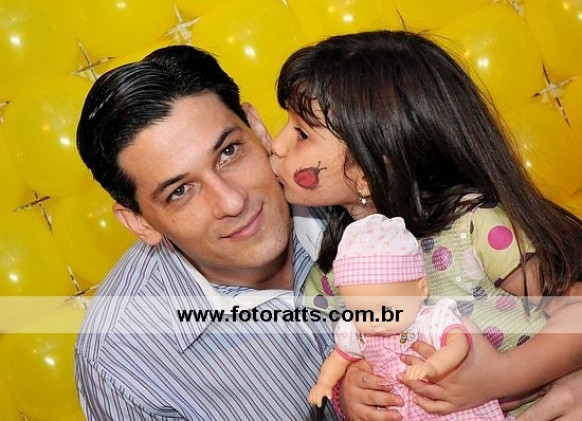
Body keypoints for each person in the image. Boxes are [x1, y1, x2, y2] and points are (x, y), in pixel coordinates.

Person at [270, 30, 582, 420]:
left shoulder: (473, 226)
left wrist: (503, 375)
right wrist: (349, 393)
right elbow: (350, 352)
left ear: (369, 169)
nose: (277, 145)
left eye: (302, 133)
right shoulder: (331, 277)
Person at [74, 45, 340, 420]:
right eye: (180, 191)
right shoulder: (120, 361)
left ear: (257, 128)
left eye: (228, 152)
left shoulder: (353, 178)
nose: (231, 202)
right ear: (140, 223)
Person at [308, 214, 511, 420]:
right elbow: (339, 357)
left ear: (421, 289)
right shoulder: (355, 332)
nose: (374, 320)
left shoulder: (427, 320)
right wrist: (324, 383)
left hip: (442, 408)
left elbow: (458, 342)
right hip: (399, 410)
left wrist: (433, 366)